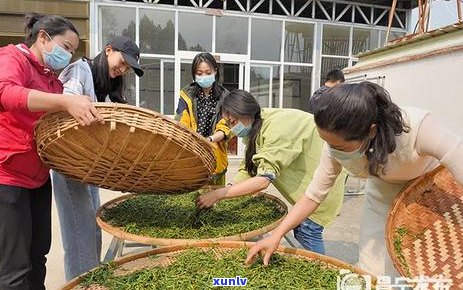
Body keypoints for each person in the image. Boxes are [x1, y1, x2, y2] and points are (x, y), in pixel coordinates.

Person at [246, 82, 463, 277]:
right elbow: (313, 195)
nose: (331, 150)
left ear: (371, 131)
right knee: (373, 265)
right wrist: (276, 235)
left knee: (427, 263)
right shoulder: (333, 146)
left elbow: (458, 160)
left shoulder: (418, 127)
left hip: (431, 191)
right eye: (326, 142)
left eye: (339, 146)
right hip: (382, 192)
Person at [0, 13, 103, 290]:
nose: (68, 56)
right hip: (8, 177)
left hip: (38, 176)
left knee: (38, 255)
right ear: (43, 37)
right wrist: (64, 103)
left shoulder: (51, 79)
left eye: (71, 51)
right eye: (66, 47)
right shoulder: (12, 58)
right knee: (14, 267)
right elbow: (6, 93)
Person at [196, 89, 346, 254]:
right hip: (310, 176)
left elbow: (262, 180)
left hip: (324, 174)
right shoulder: (257, 124)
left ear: (246, 113)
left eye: (233, 122)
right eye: (229, 123)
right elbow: (249, 168)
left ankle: (322, 272)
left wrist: (219, 194)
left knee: (308, 230)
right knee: (301, 227)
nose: (232, 129)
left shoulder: (276, 128)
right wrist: (230, 187)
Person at [51, 35, 144, 281]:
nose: (122, 70)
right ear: (108, 50)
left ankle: (93, 279)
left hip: (88, 166)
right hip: (70, 163)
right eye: (122, 62)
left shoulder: (104, 85)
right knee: (78, 232)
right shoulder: (80, 70)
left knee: (92, 226)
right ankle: (82, 283)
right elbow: (68, 109)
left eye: (126, 68)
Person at [175, 52, 231, 185]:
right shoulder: (186, 95)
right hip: (193, 153)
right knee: (192, 193)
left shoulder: (225, 96)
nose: (203, 76)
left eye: (207, 72)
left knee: (215, 195)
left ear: (215, 71)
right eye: (199, 74)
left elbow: (227, 126)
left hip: (216, 153)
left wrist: (210, 140)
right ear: (194, 74)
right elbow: (182, 121)